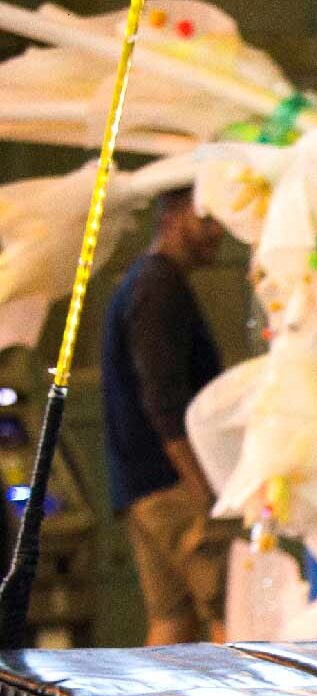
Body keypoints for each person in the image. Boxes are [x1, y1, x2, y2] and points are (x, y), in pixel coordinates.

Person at [100, 187, 232, 644]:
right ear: (175, 216)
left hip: (143, 488)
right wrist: (205, 491)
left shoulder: (142, 281)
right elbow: (164, 398)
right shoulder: (157, 286)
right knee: (227, 614)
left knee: (172, 620)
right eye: (208, 219)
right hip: (175, 487)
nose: (219, 233)